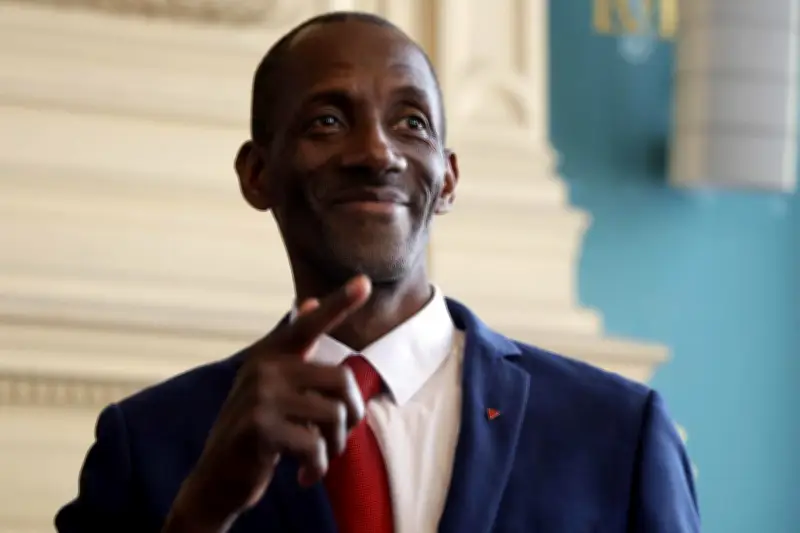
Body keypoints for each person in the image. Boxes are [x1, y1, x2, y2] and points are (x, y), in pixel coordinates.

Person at [54, 10, 700, 533]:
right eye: (328, 121)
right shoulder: (148, 442)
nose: (376, 152)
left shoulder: (617, 430)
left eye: (411, 122)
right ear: (256, 174)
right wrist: (200, 516)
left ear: (448, 179)